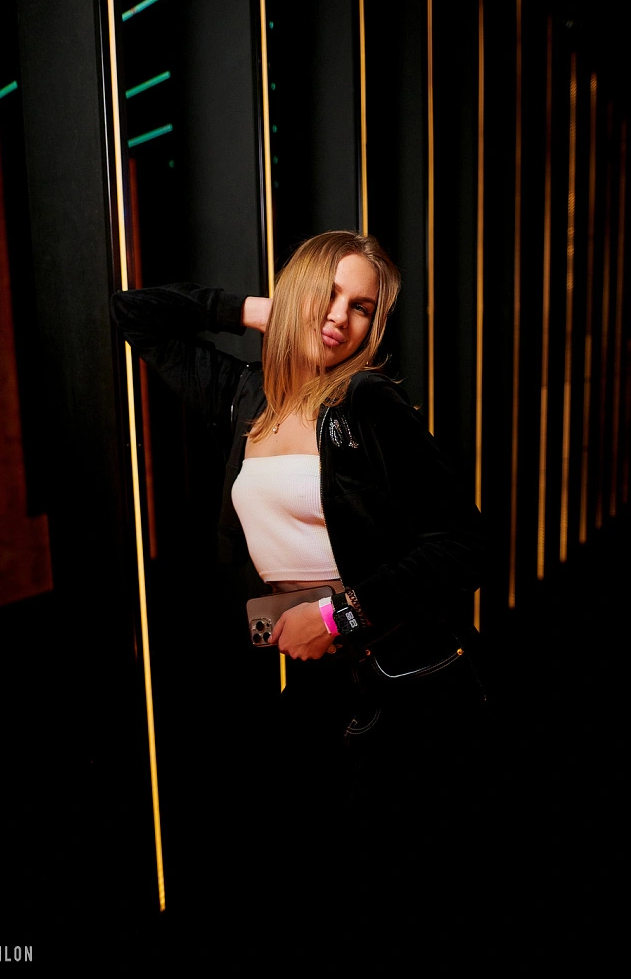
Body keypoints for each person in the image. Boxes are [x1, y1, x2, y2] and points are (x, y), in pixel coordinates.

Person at [111, 230, 491, 912]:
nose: (341, 317)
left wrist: (338, 617)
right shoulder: (244, 395)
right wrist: (255, 310)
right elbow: (133, 313)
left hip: (406, 680)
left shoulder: (367, 401)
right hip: (323, 679)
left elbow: (466, 543)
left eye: (362, 307)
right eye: (328, 294)